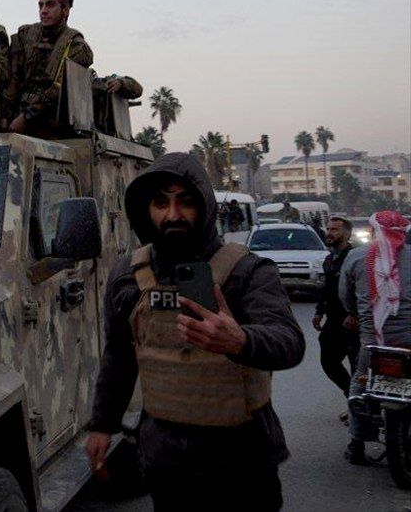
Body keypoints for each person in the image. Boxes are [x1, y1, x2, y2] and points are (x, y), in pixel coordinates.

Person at [86, 153, 304, 511]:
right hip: (166, 461)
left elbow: (289, 341)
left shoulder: (247, 270)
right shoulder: (128, 276)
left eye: (185, 202)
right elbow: (119, 359)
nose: (173, 215)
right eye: (161, 203)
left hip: (243, 462)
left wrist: (241, 340)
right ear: (145, 210)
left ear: (204, 206)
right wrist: (102, 425)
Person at [7, 0, 141, 136]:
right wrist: (5, 115)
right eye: (41, 5)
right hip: (16, 116)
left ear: (65, 10)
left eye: (50, 5)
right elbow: (12, 78)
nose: (43, 11)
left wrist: (26, 117)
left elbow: (59, 90)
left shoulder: (76, 46)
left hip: (53, 126)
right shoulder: (25, 35)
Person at [341, 210, 410, 465]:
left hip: (372, 340)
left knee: (359, 386)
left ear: (372, 231)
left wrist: (354, 312)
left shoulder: (356, 256)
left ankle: (357, 444)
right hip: (408, 339)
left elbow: (345, 295)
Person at [311, 216, 358, 402]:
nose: (329, 233)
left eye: (335, 230)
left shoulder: (354, 258)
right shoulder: (329, 259)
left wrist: (353, 314)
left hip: (353, 320)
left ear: (347, 234)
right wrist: (319, 311)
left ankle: (359, 406)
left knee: (356, 364)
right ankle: (352, 396)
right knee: (329, 361)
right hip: (334, 318)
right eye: (328, 229)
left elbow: (360, 289)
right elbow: (327, 288)